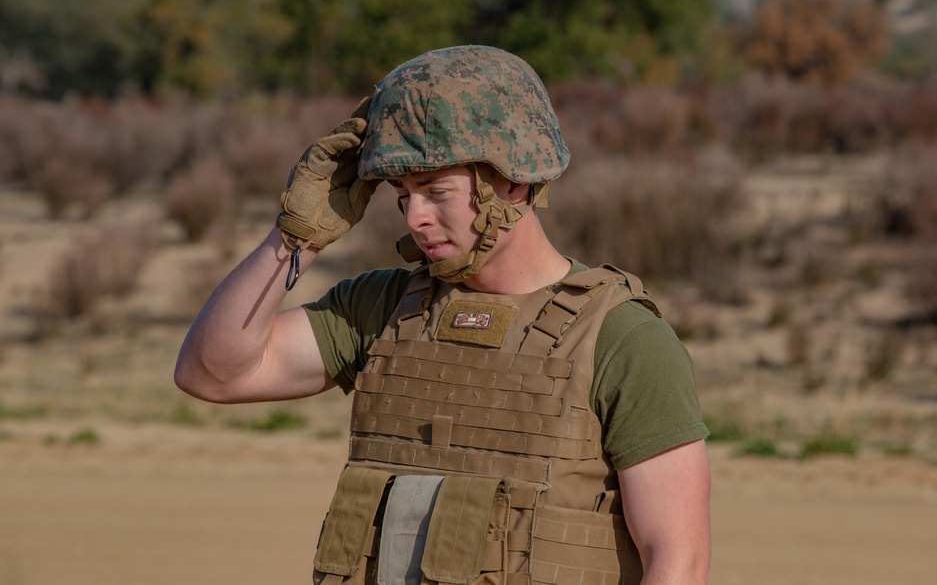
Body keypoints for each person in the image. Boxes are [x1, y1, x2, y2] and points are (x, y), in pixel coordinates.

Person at [175, 45, 711, 585]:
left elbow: (678, 562)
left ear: (515, 183)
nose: (417, 217)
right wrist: (296, 237)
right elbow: (213, 372)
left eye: (437, 192)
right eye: (402, 194)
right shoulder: (380, 309)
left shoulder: (623, 338)